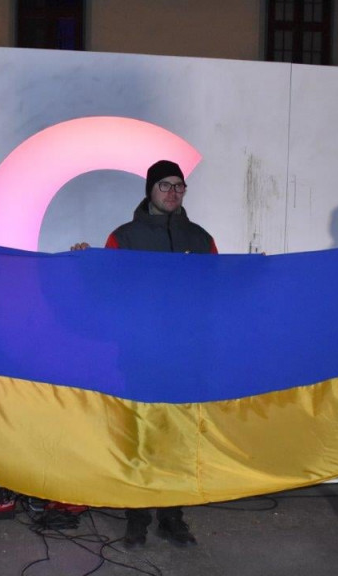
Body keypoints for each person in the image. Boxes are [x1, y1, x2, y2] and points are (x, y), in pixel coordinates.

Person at [72, 160, 216, 548]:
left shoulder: (201, 239)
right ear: (150, 190)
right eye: (165, 186)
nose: (173, 193)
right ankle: (136, 517)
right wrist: (87, 264)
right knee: (138, 436)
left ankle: (173, 517)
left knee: (180, 438)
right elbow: (105, 293)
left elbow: (219, 290)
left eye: (179, 187)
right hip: (139, 354)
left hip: (186, 355)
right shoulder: (125, 238)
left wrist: (253, 271)